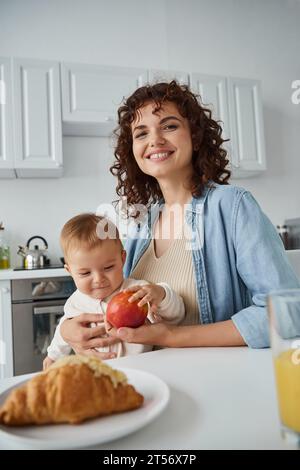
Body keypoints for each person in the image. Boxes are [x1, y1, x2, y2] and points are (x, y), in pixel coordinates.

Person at [60, 81, 300, 353]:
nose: (155, 140)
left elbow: (287, 315)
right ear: (133, 151)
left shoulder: (232, 206)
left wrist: (171, 336)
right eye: (141, 133)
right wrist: (67, 328)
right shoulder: (143, 224)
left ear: (195, 136)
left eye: (169, 126)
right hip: (149, 383)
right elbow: (113, 303)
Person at [43, 213, 185, 369]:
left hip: (142, 370)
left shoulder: (136, 292)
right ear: (69, 271)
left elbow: (176, 316)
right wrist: (53, 356)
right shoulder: (75, 302)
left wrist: (161, 294)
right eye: (85, 273)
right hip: (95, 373)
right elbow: (64, 331)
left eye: (108, 268)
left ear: (122, 259)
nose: (98, 279)